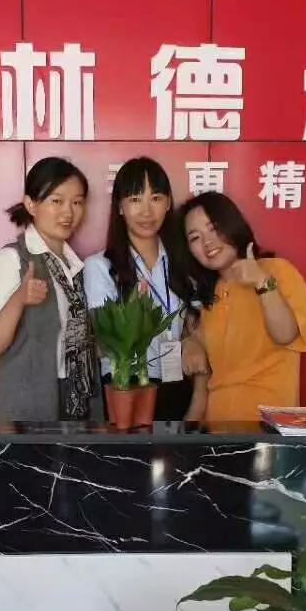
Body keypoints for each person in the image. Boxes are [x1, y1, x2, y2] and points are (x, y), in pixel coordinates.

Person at [0, 157, 99, 423]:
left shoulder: (76, 266)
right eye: (57, 201)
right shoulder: (12, 260)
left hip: (77, 402)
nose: (68, 212)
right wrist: (19, 299)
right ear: (31, 204)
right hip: (28, 410)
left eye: (77, 202)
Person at [82, 157, 206, 421]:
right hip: (126, 390)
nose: (147, 212)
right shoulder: (101, 267)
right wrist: (134, 317)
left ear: (168, 203)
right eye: (135, 199)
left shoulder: (183, 263)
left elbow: (196, 322)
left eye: (156, 198)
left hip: (178, 384)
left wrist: (192, 340)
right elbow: (104, 341)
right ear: (120, 206)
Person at [179, 193, 306, 423]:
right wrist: (190, 342)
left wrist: (261, 281)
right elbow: (203, 383)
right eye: (195, 237)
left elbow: (285, 335)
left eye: (213, 228)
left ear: (231, 224)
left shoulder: (277, 271)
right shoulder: (208, 298)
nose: (208, 242)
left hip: (268, 428)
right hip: (218, 431)